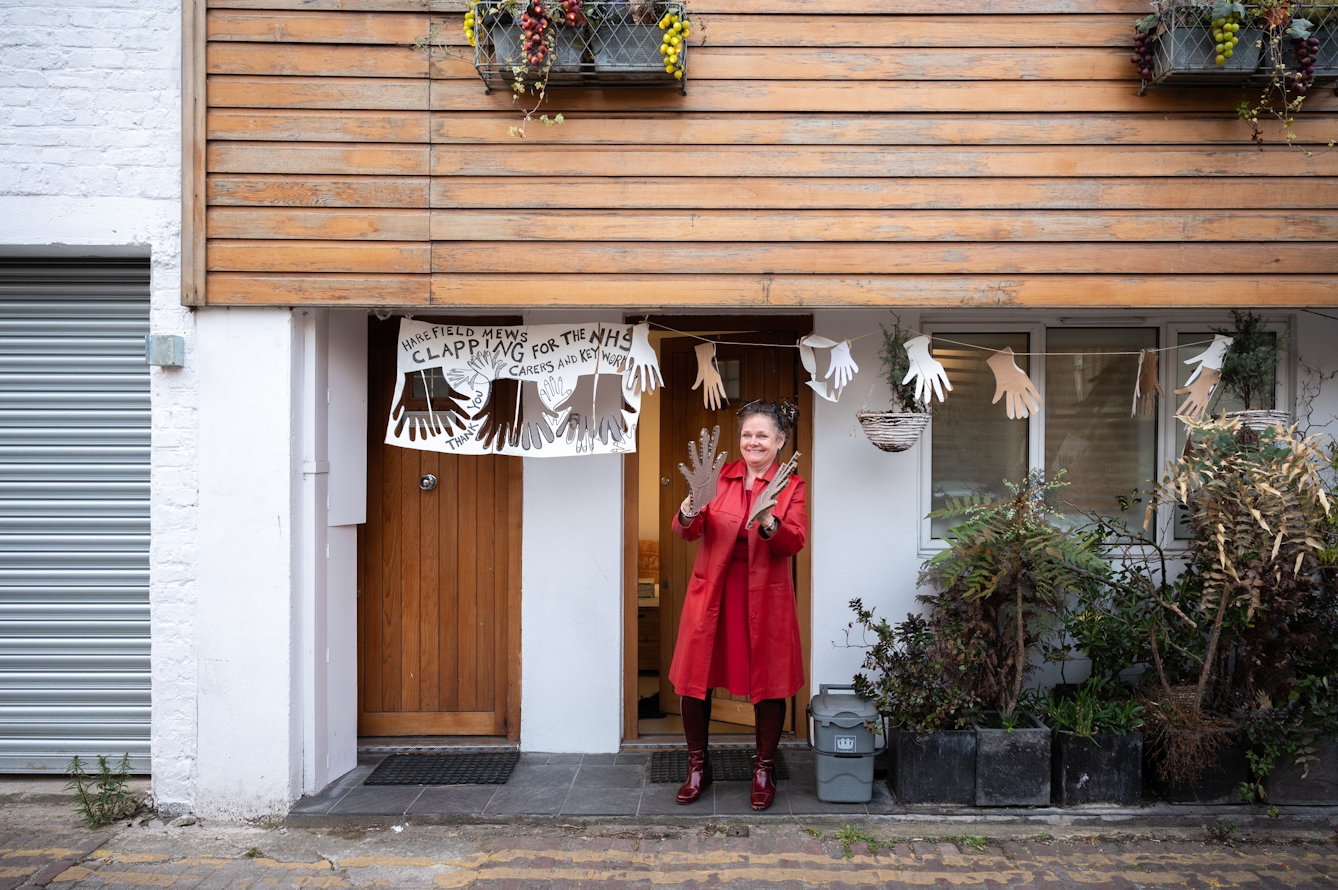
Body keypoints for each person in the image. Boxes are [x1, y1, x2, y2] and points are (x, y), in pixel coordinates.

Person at [669, 399, 808, 810]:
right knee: (695, 678)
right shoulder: (717, 478)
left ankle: (764, 770)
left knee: (769, 683)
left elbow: (794, 541)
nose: (753, 441)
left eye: (762, 435)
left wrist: (769, 520)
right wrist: (692, 503)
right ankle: (698, 767)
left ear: (780, 441)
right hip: (713, 594)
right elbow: (685, 533)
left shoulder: (792, 487)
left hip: (766, 598)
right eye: (747, 434)